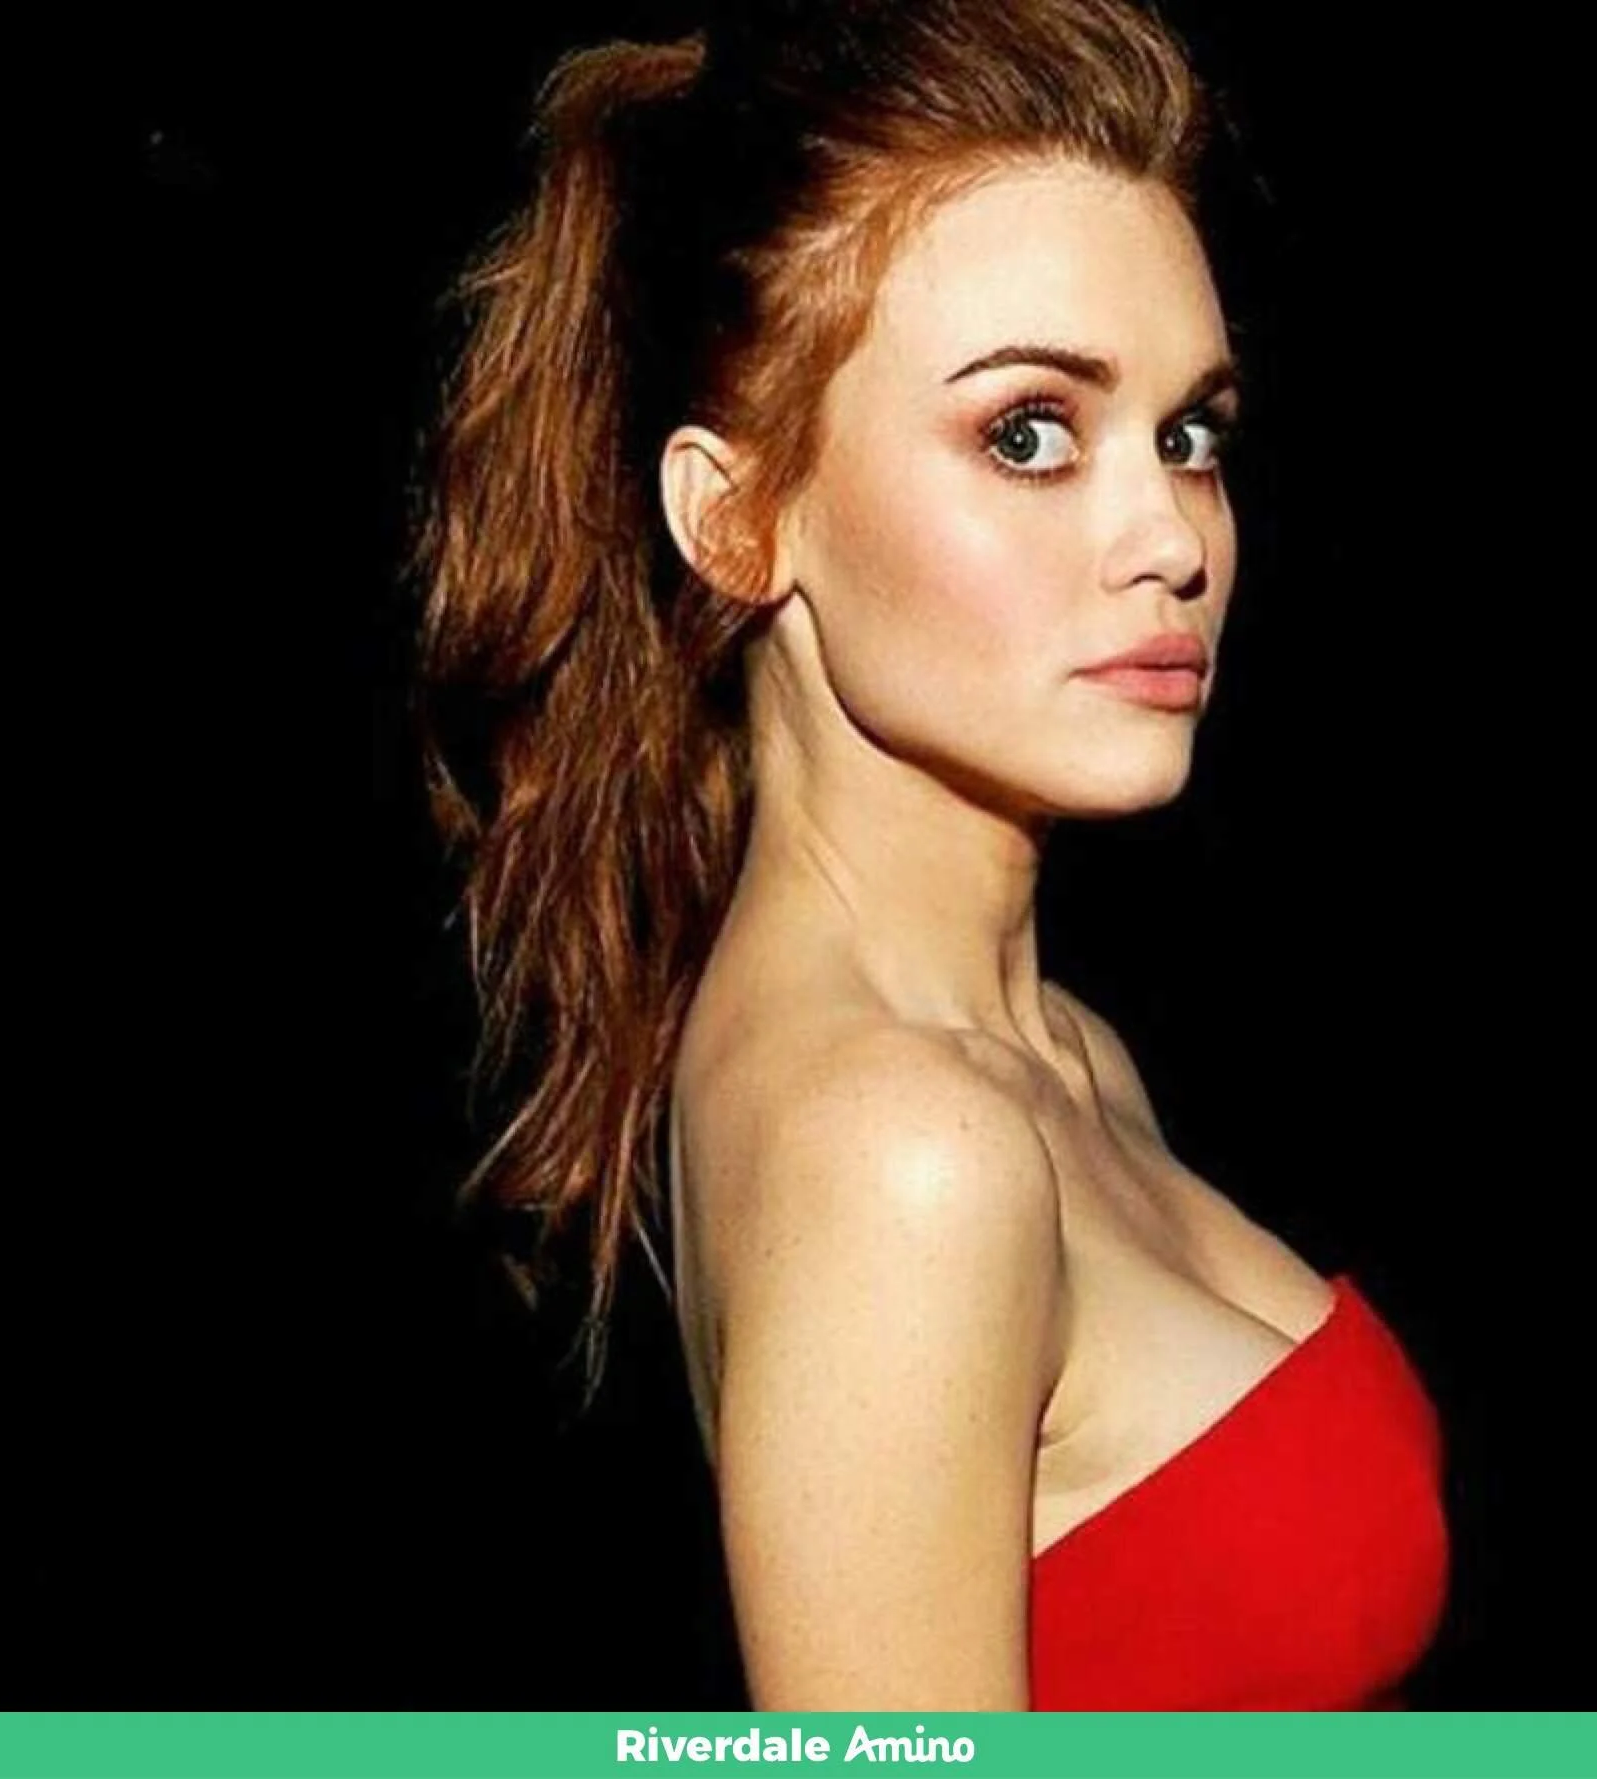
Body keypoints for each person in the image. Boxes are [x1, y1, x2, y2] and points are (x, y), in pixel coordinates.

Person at [410, 0, 1451, 1710]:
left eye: (1191, 434)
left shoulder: (1046, 1054)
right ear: (737, 515)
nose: (1170, 537)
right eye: (1028, 432)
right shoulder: (905, 1155)